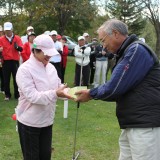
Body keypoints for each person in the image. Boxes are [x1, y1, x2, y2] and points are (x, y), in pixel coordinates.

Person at [75, 19, 160, 160]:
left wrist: (91, 93)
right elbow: (118, 89)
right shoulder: (126, 52)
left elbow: (115, 86)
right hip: (133, 123)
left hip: (145, 126)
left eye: (103, 40)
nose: (103, 46)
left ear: (115, 33)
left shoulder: (136, 50)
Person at [16, 34, 72, 160]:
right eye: (46, 53)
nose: (49, 56)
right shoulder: (24, 70)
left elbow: (59, 86)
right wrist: (55, 93)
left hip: (46, 121)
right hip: (29, 123)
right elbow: (33, 97)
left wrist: (72, 93)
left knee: (45, 156)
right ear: (35, 51)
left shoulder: (51, 67)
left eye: (50, 53)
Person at [0, 22, 23, 100]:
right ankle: (7, 95)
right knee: (6, 79)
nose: (7, 32)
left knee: (16, 78)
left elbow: (21, 48)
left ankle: (17, 94)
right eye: (6, 30)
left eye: (9, 30)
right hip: (6, 61)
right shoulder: (1, 39)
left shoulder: (17, 38)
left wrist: (18, 47)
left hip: (15, 61)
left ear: (12, 29)